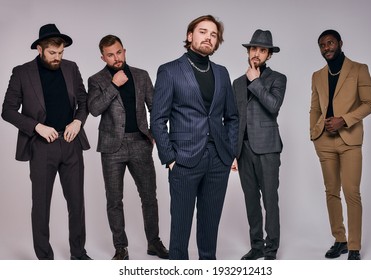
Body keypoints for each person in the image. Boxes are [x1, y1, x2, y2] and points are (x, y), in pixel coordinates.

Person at [151, 15, 238, 260]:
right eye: (203, 32)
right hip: (184, 160)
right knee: (180, 227)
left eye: (213, 34)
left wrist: (229, 152)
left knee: (210, 226)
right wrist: (169, 158)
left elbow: (232, 117)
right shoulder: (169, 70)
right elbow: (157, 119)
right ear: (190, 36)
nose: (208, 37)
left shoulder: (222, 73)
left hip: (218, 160)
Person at [1, 24, 91, 260]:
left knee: (77, 202)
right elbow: (7, 111)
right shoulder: (21, 72)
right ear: (40, 49)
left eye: (61, 53)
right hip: (42, 147)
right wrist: (36, 127)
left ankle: (78, 253)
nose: (58, 58)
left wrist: (78, 122)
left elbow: (84, 100)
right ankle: (45, 259)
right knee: (41, 204)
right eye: (53, 53)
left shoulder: (71, 68)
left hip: (71, 143)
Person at [87, 35, 168, 260]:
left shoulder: (141, 75)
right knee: (114, 199)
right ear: (103, 57)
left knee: (149, 196)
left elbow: (155, 107)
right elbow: (94, 109)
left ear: (124, 50)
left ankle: (154, 242)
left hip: (140, 143)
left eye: (119, 52)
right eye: (110, 55)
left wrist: (152, 134)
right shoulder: (96, 80)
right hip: (112, 147)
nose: (116, 58)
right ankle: (120, 247)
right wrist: (114, 85)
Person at [310, 29, 371, 260]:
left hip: (350, 140)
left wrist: (344, 120)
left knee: (351, 192)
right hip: (324, 141)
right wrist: (314, 133)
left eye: (330, 43)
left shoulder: (359, 69)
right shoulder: (317, 75)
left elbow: (369, 103)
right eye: (322, 45)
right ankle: (340, 240)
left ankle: (355, 246)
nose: (326, 48)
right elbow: (315, 108)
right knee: (331, 192)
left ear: (339, 43)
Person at [231, 29, 286, 261]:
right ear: (248, 51)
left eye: (262, 50)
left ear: (269, 55)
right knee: (251, 200)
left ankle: (271, 249)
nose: (257, 53)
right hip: (243, 151)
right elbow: (235, 119)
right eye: (253, 49)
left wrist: (255, 82)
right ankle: (257, 247)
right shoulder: (236, 83)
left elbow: (273, 106)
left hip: (267, 149)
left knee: (270, 201)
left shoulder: (278, 78)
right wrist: (233, 153)